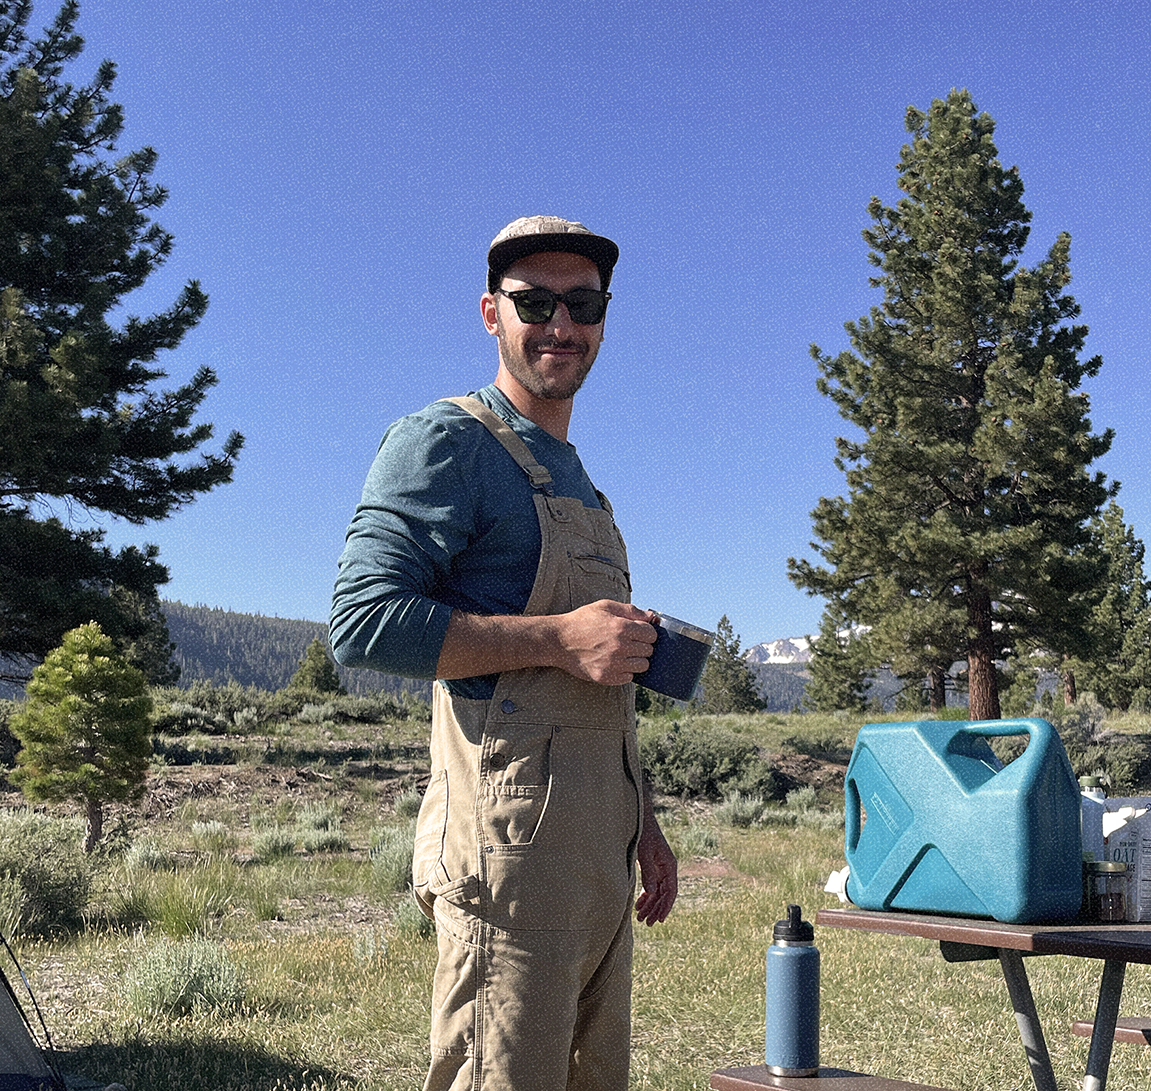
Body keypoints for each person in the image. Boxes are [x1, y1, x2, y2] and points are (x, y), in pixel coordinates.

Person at [330, 215, 678, 1091]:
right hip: (509, 863)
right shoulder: (444, 442)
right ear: (491, 313)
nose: (560, 324)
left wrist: (646, 823)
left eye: (582, 303)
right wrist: (560, 638)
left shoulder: (577, 476)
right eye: (534, 302)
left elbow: (595, 687)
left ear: (603, 318)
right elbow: (363, 620)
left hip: (595, 864)